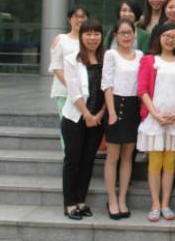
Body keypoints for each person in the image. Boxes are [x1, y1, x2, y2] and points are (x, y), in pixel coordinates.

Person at [137, 22, 175, 222]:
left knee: (169, 163)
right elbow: (142, 90)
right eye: (166, 36)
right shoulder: (148, 60)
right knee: (155, 162)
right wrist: (155, 114)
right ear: (159, 38)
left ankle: (166, 203)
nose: (170, 40)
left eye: (174, 36)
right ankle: (155, 204)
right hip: (154, 120)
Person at [61, 19, 105, 220]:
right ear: (81, 36)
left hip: (98, 119)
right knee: (73, 160)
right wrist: (87, 115)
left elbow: (109, 89)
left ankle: (81, 201)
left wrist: (100, 114)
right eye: (88, 34)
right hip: (75, 118)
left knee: (88, 161)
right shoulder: (72, 59)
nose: (92, 38)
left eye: (96, 33)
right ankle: (70, 204)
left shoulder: (107, 59)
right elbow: (73, 91)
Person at [101, 19, 144, 220]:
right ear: (116, 35)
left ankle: (122, 198)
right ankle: (111, 199)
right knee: (113, 157)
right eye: (122, 33)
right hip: (115, 105)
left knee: (128, 157)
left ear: (135, 34)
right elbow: (107, 85)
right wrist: (111, 112)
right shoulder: (111, 54)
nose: (126, 36)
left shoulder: (140, 55)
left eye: (129, 32)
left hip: (134, 107)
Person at [49, 5, 89, 147]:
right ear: (69, 19)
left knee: (82, 127)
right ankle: (68, 155)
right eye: (76, 16)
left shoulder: (89, 40)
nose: (80, 20)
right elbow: (56, 67)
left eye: (83, 17)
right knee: (68, 127)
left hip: (85, 93)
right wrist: (72, 87)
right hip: (64, 92)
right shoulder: (60, 39)